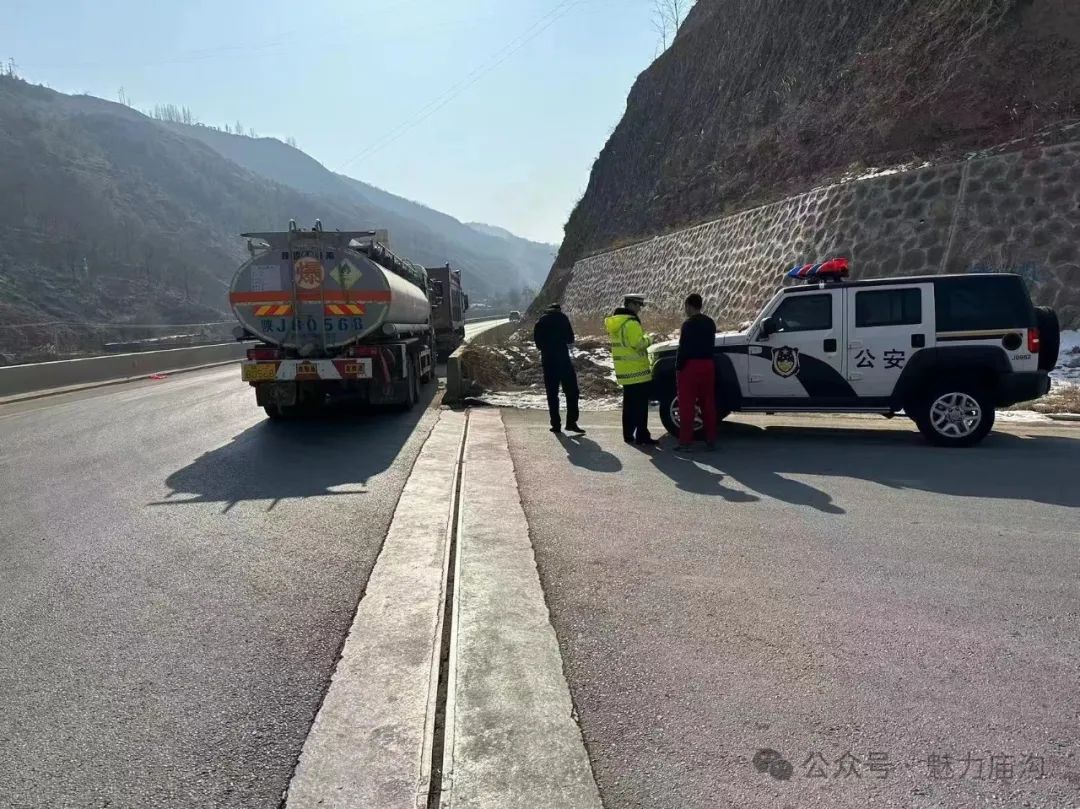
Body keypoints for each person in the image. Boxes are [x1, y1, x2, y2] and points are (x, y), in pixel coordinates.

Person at [605, 294, 657, 446]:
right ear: (631, 305)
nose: (640, 308)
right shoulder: (631, 323)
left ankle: (628, 434)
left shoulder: (616, 322)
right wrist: (650, 338)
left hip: (624, 372)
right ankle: (642, 436)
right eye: (638, 305)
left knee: (628, 405)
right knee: (641, 406)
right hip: (638, 372)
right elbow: (638, 343)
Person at [675, 293, 718, 452]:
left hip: (690, 367)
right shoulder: (710, 323)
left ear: (688, 306)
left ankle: (685, 441)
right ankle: (711, 439)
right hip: (708, 365)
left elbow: (683, 348)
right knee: (708, 403)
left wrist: (678, 367)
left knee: (687, 405)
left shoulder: (688, 324)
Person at [533, 302, 584, 434]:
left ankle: (556, 425)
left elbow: (538, 345)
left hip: (548, 362)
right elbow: (570, 339)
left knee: (552, 394)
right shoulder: (563, 319)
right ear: (559, 310)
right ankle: (571, 422)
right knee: (572, 392)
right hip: (563, 361)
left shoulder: (540, 322)